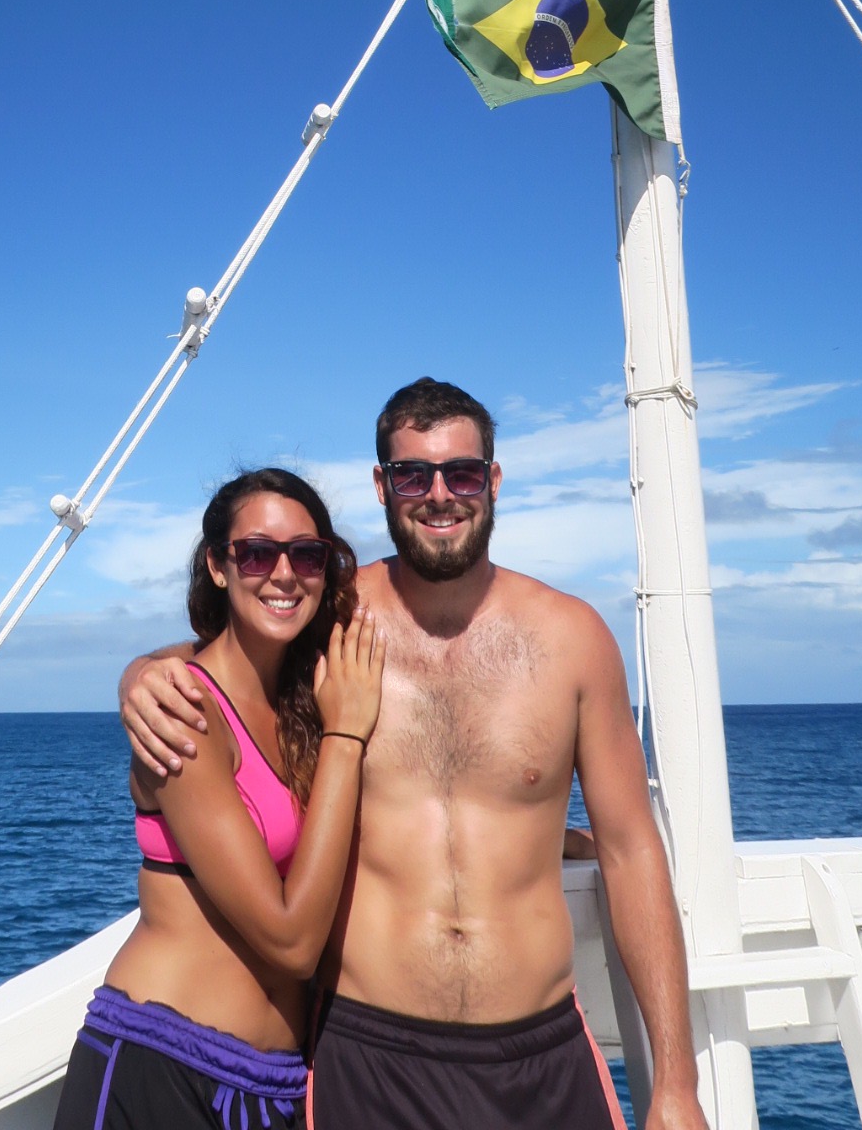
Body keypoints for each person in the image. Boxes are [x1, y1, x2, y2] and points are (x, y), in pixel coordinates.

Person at [121, 379, 710, 1130]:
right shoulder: (332, 620)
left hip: (542, 1058)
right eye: (412, 476)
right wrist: (142, 674)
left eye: (461, 473)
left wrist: (675, 1083)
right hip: (371, 1057)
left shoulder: (573, 640)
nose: (439, 496)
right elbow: (233, 650)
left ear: (492, 480)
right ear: (382, 486)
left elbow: (631, 851)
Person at [56, 465, 384, 1130]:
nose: (284, 574)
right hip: (162, 1067)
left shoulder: (306, 700)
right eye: (257, 553)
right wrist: (347, 735)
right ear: (217, 565)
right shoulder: (187, 708)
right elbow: (291, 942)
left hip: (278, 1083)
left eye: (307, 554)